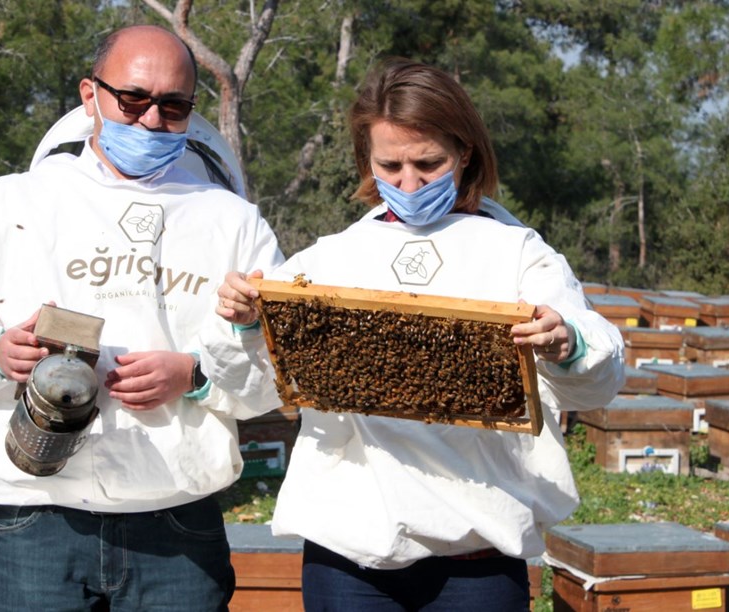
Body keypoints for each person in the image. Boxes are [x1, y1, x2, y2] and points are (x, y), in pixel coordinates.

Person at [216, 57, 625, 611]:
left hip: (478, 555)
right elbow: (247, 389)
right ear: (367, 161)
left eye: (428, 163)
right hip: (349, 555)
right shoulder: (330, 260)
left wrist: (567, 343)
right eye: (390, 166)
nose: (408, 183)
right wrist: (243, 324)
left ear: (464, 152)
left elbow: (597, 376)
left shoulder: (518, 252)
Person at [0, 25, 284, 611]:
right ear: (90, 96)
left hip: (176, 522)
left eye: (174, 105)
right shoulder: (12, 202)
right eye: (132, 100)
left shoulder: (233, 222)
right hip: (36, 516)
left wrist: (195, 375)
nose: (151, 120)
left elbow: (279, 368)